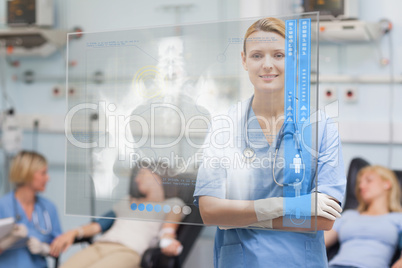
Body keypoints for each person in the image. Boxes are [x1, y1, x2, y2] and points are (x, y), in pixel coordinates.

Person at [193, 17, 346, 267]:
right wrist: (290, 205)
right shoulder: (225, 125)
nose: (267, 65)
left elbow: (324, 219)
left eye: (278, 55)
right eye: (256, 56)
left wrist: (236, 215)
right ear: (244, 60)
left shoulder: (321, 127)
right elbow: (210, 211)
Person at [52, 161, 185, 268]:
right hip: (100, 246)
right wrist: (74, 232)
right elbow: (97, 226)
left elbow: (168, 230)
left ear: (158, 176)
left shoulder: (173, 204)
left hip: (128, 251)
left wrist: (167, 242)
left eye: (142, 174)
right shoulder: (126, 201)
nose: (137, 180)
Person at [325, 165, 402, 268]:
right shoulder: (348, 215)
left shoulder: (398, 218)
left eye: (369, 181)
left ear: (387, 184)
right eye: (359, 183)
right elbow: (319, 243)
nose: (361, 186)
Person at [0, 151, 62, 268]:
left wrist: (44, 249)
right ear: (27, 173)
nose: (48, 178)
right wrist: (9, 240)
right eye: (43, 173)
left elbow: (59, 246)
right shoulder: (2, 206)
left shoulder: (49, 208)